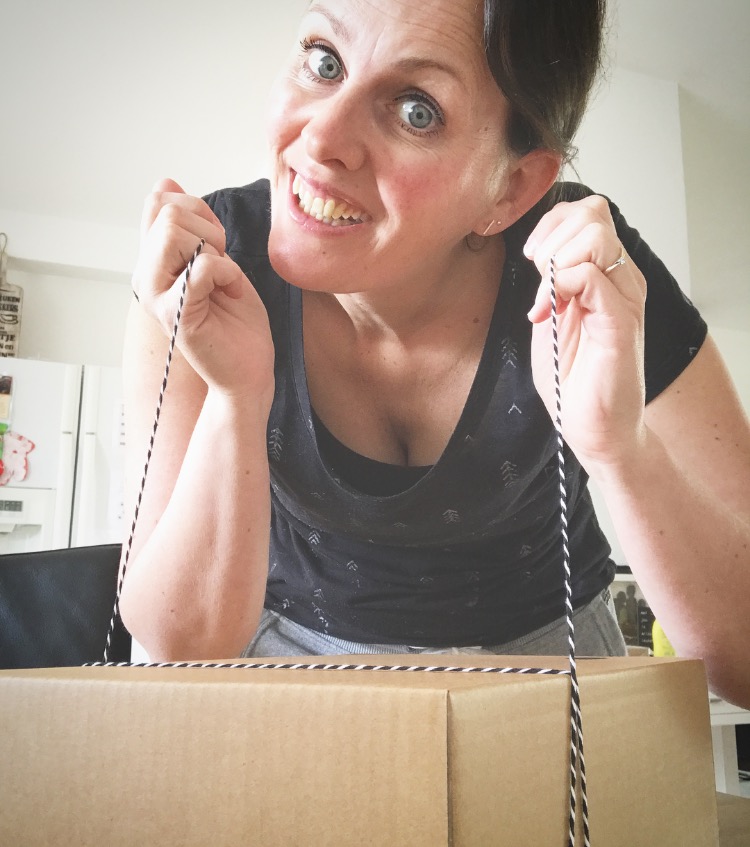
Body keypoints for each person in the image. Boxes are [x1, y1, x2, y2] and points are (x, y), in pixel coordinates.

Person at [120, 0, 750, 707]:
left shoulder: (589, 273)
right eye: (324, 62)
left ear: (511, 188)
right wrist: (236, 399)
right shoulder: (201, 269)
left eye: (417, 111)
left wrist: (621, 448)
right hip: (287, 655)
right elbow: (183, 642)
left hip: (550, 656)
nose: (321, 138)